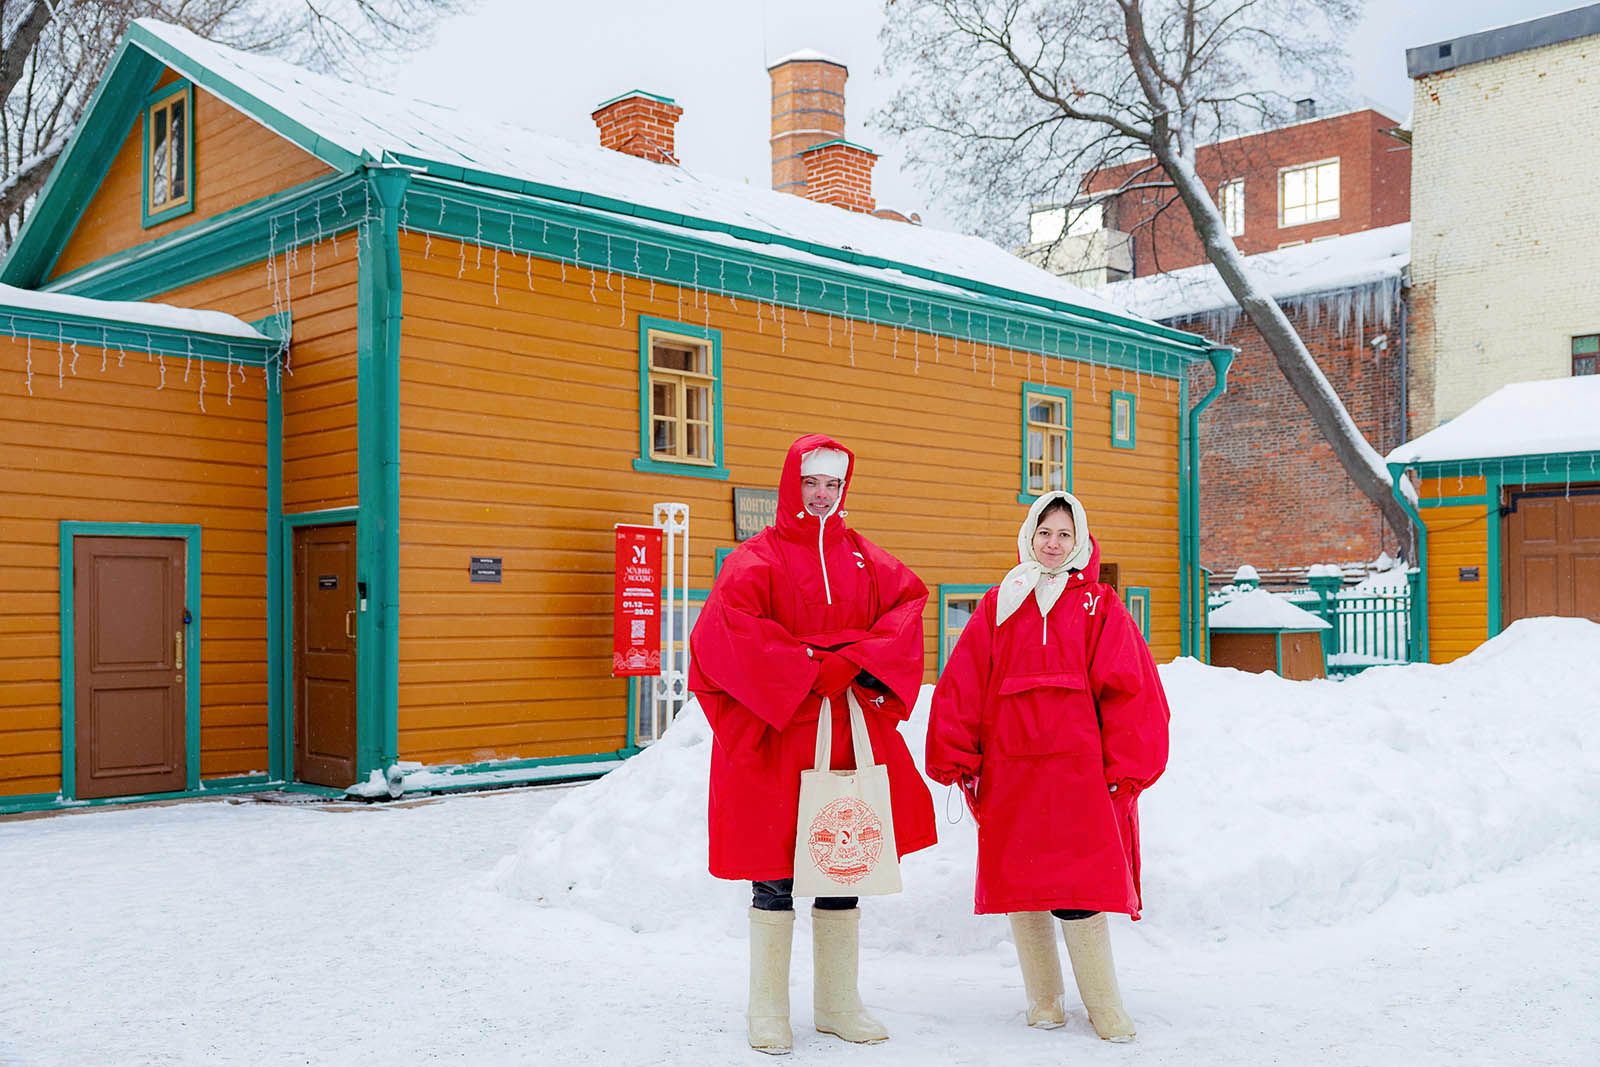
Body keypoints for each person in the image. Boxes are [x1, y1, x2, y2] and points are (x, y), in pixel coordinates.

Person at [689, 433, 936, 1055]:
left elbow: (908, 606)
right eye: (812, 484)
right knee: (772, 872)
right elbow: (724, 637)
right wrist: (807, 664)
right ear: (791, 485)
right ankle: (767, 1009)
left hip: (845, 728)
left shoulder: (866, 559)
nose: (822, 496)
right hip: (778, 731)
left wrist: (850, 662)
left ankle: (837, 1003)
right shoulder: (754, 560)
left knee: (841, 859)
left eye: (833, 485)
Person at [925, 490, 1170, 1043]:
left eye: (1064, 534)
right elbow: (966, 681)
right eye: (1044, 533)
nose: (1053, 543)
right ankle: (1044, 998)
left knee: (1080, 883)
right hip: (1011, 766)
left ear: (1078, 540)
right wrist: (958, 752)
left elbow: (1130, 688)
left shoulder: (1099, 605)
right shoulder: (999, 603)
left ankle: (1103, 1003)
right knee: (1022, 880)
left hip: (1077, 770)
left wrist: (1128, 763)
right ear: (1028, 537)